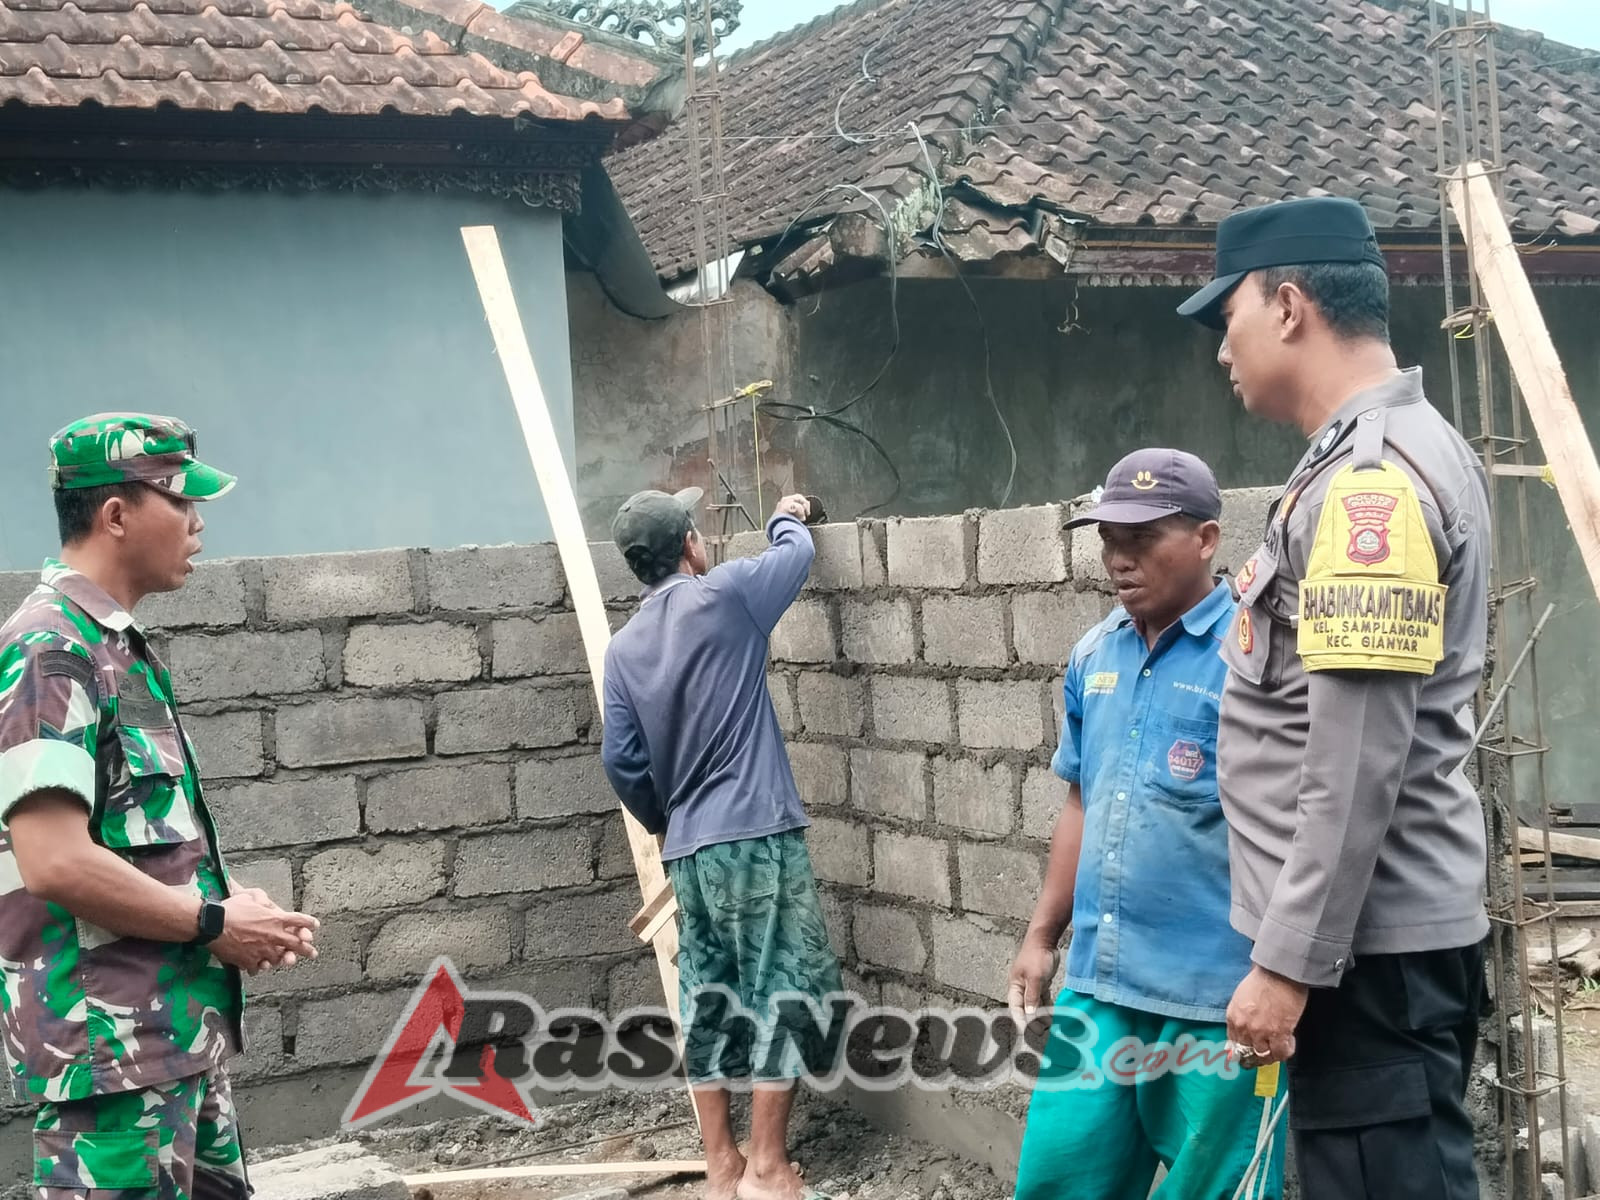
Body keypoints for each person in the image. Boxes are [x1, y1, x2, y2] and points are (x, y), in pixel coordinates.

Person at [1178, 196, 1492, 1199]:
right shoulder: (1365, 458)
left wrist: (1288, 966)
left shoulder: (1371, 485)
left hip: (1365, 961)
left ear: (1287, 305)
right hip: (1365, 951)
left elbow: (1353, 759)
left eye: (1224, 319)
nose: (1220, 351)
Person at [0, 413, 321, 1200]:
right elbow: (53, 859)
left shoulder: (113, 646)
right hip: (110, 1058)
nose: (197, 523)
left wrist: (222, 900)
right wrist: (213, 924)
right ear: (116, 515)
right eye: (180, 501)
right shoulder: (52, 650)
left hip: (172, 1043)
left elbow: (134, 840)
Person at [1008, 449, 1286, 1200]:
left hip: (1217, 1001)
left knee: (1213, 1189)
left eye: (1143, 539)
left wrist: (1280, 973)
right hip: (1100, 990)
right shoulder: (1095, 654)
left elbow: (1304, 825)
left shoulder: (1253, 657)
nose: (1119, 560)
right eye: (1109, 541)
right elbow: (1081, 801)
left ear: (1205, 539)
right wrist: (1041, 937)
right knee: (1058, 1178)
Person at [601, 487, 843, 1200]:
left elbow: (622, 762)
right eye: (697, 531)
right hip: (757, 834)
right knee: (784, 988)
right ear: (689, 547)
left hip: (689, 851)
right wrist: (786, 512)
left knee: (707, 996)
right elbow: (794, 554)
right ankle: (768, 1167)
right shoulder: (729, 594)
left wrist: (667, 822)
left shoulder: (622, 650)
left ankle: (720, 1166)